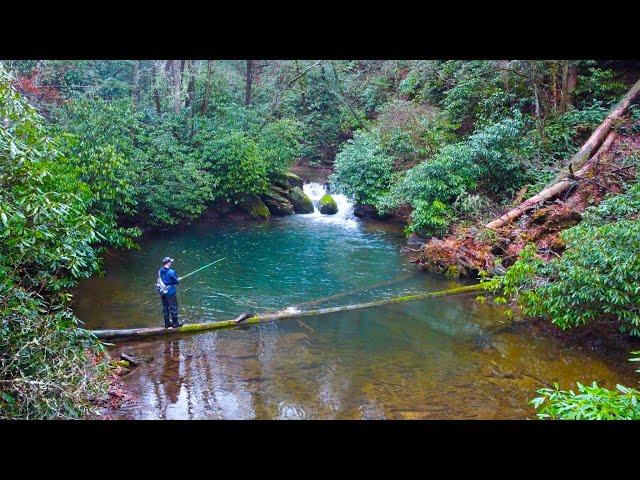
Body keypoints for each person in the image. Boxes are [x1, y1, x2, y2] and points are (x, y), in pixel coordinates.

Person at [158, 256, 184, 329]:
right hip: (170, 292)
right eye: (170, 262)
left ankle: (167, 324)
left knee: (165, 307)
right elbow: (175, 281)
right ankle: (175, 324)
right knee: (173, 307)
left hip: (162, 291)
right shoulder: (171, 272)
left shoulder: (160, 271)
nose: (171, 263)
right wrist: (178, 279)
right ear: (168, 263)